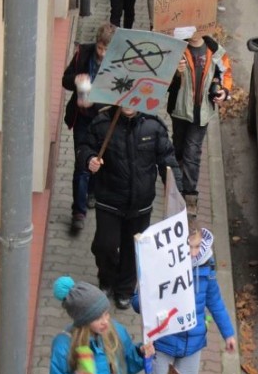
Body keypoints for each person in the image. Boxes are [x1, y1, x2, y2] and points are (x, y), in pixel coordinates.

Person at [78, 107, 182, 309]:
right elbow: (83, 148)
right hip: (109, 199)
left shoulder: (154, 126)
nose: (129, 104)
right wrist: (89, 159)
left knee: (133, 249)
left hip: (141, 204)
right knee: (104, 245)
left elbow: (167, 160)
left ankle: (125, 289)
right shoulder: (102, 124)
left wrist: (177, 188)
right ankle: (107, 277)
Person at [134, 225, 236, 374]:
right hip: (165, 340)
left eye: (198, 247)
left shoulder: (206, 270)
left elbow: (215, 302)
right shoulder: (161, 269)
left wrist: (229, 334)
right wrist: (144, 293)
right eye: (189, 247)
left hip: (193, 343)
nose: (194, 253)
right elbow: (137, 304)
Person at [168, 28, 233, 213]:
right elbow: (165, 80)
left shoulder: (215, 50)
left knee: (193, 152)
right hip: (180, 111)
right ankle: (178, 176)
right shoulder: (177, 48)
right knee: (179, 147)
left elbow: (226, 73)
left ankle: (190, 195)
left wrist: (224, 92)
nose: (194, 29)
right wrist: (176, 73)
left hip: (202, 114)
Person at [62, 23, 116, 234]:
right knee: (82, 163)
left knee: (98, 161)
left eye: (106, 50)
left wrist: (96, 102)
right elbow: (65, 80)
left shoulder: (119, 62)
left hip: (103, 121)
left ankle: (93, 191)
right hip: (83, 120)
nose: (102, 53)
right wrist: (75, 80)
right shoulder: (83, 54)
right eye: (100, 48)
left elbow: (118, 96)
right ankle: (78, 212)